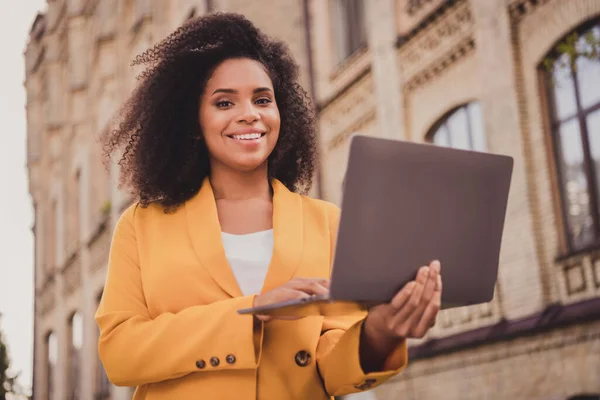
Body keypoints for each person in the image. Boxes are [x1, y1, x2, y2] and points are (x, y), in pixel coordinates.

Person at [96, 12, 442, 400]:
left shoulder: (326, 222)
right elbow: (120, 354)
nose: (250, 114)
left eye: (263, 99)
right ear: (193, 122)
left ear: (282, 114)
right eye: (224, 102)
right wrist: (253, 311)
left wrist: (381, 332)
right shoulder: (142, 226)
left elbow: (332, 366)